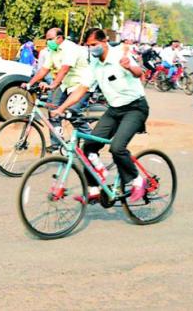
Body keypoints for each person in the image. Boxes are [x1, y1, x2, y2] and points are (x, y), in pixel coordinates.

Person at [51, 28, 149, 203]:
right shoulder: (94, 64)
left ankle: (138, 181)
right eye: (89, 46)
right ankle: (94, 189)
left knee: (117, 148)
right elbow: (82, 88)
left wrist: (130, 66)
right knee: (88, 146)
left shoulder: (120, 55)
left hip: (135, 108)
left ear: (104, 42)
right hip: (114, 110)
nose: (92, 49)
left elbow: (139, 72)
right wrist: (61, 108)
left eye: (94, 44)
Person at [21, 28, 91, 153]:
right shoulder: (52, 52)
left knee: (72, 113)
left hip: (81, 84)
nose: (47, 42)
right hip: (65, 84)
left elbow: (64, 69)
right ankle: (57, 144)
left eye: (50, 39)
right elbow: (44, 69)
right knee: (52, 110)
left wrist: (52, 85)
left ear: (59, 38)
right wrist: (29, 83)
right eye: (46, 39)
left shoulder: (70, 48)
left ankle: (91, 141)